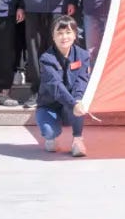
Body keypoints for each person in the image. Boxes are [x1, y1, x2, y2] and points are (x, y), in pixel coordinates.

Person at [36, 15, 90, 157]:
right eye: (59, 33)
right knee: (49, 131)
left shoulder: (83, 55)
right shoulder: (46, 59)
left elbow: (82, 80)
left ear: (75, 35)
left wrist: (76, 100)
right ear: (53, 37)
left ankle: (78, 139)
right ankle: (50, 138)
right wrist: (73, 104)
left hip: (72, 103)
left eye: (68, 32)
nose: (64, 37)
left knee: (79, 100)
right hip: (50, 105)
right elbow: (56, 87)